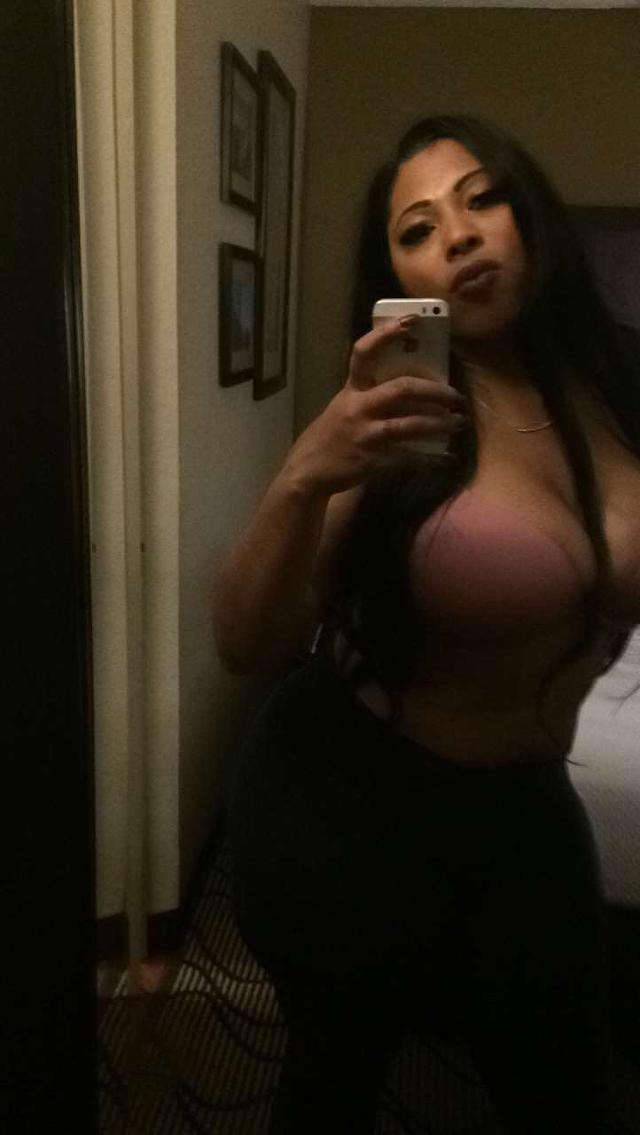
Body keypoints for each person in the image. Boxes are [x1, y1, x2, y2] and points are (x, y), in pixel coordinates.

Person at [212, 115, 640, 1134]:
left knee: (565, 1087)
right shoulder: (403, 407)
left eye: (482, 198)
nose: (459, 233)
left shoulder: (616, 383)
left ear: (529, 213)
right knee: (335, 1077)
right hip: (347, 801)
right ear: (397, 276)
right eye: (417, 228)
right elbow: (246, 642)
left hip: (523, 800)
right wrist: (307, 472)